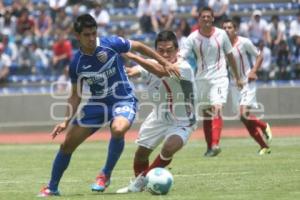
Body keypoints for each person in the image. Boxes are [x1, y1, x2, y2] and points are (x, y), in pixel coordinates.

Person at [37, 14, 178, 197]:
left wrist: (165, 63)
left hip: (123, 98)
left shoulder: (110, 43)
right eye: (87, 35)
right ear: (77, 36)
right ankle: (52, 187)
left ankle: (105, 174)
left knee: (118, 129)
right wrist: (65, 121)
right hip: (96, 103)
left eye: (94, 33)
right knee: (67, 145)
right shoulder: (76, 63)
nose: (91, 38)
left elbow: (140, 46)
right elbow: (75, 95)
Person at [116, 30, 197, 193]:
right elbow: (137, 71)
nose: (165, 54)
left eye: (169, 50)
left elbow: (161, 71)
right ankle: (142, 187)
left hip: (183, 119)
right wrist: (128, 71)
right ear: (155, 51)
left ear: (177, 50)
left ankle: (140, 182)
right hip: (159, 116)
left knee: (168, 148)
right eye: (161, 50)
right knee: (141, 154)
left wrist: (133, 56)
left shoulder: (184, 67)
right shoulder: (151, 62)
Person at [180, 7, 243, 157]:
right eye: (203, 17)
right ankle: (210, 148)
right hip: (201, 79)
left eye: (209, 17)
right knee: (207, 113)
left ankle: (215, 144)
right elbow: (182, 55)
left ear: (213, 18)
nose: (206, 19)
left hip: (220, 78)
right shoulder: (192, 38)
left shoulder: (222, 35)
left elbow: (230, 56)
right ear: (199, 19)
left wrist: (237, 76)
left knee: (217, 107)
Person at [222, 19, 272, 155]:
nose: (227, 30)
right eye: (224, 28)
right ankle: (264, 146)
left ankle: (264, 125)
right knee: (244, 119)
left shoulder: (243, 42)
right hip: (234, 85)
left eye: (229, 27)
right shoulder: (221, 46)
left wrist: (253, 71)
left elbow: (259, 55)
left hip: (247, 83)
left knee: (243, 114)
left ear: (235, 29)